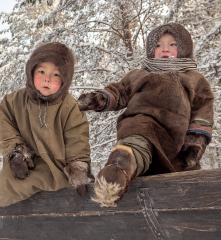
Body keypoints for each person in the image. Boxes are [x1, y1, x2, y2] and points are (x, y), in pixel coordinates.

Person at [78, 23, 214, 207]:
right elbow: (119, 91)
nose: (164, 49)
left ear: (184, 48)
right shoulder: (140, 74)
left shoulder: (194, 79)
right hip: (139, 126)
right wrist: (99, 99)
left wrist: (195, 144)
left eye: (172, 44)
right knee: (135, 142)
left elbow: (202, 111)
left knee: (178, 174)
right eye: (158, 45)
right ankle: (118, 171)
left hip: (174, 140)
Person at [0, 42, 93, 207]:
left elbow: (77, 139)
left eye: (56, 75)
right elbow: (6, 130)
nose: (47, 78)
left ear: (66, 79)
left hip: (58, 169)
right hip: (25, 168)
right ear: (31, 72)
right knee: (5, 196)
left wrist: (78, 168)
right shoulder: (12, 102)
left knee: (64, 201)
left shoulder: (70, 106)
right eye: (42, 71)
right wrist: (15, 153)